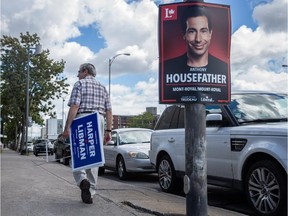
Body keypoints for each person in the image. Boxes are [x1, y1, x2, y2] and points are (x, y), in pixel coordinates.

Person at [62, 63, 112, 204]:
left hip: (81, 118)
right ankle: (90, 191)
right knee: (94, 158)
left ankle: (82, 180)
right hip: (98, 119)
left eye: (79, 72)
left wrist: (67, 128)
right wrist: (108, 131)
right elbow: (109, 111)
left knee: (79, 155)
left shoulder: (80, 84)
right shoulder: (102, 87)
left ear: (85, 71)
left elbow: (75, 106)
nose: (78, 75)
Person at [161, 5, 229, 103]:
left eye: (203, 31)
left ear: (210, 33)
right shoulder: (167, 67)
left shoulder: (223, 67)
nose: (198, 39)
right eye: (192, 31)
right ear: (184, 34)